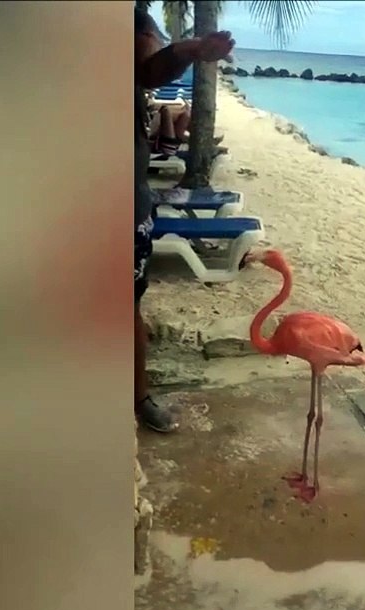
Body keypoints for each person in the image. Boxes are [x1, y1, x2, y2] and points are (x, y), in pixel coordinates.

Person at [134, 9, 234, 432]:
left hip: (123, 201)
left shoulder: (131, 18)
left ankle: (139, 398)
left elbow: (150, 69)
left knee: (125, 305)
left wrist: (189, 50)